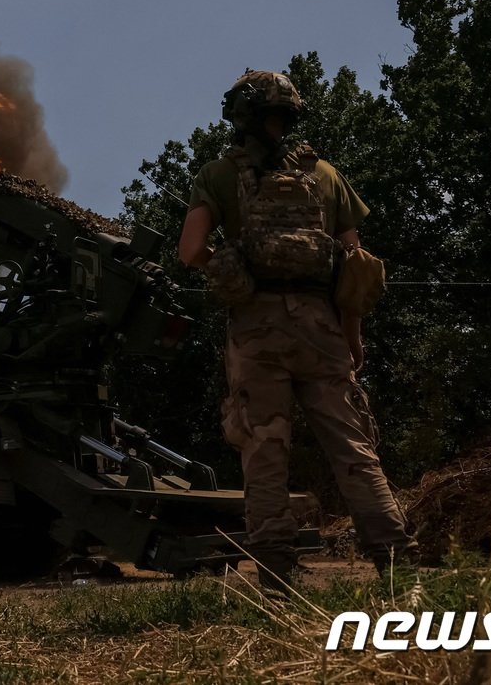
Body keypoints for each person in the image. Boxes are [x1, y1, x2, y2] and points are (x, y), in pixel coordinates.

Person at [177, 69, 415, 591]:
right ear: (289, 116)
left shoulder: (219, 174)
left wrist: (230, 268)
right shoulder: (325, 174)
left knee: (264, 451)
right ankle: (399, 572)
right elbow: (354, 266)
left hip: (256, 330)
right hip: (322, 327)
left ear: (237, 117)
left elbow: (190, 250)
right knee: (353, 448)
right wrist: (352, 337)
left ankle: (276, 582)